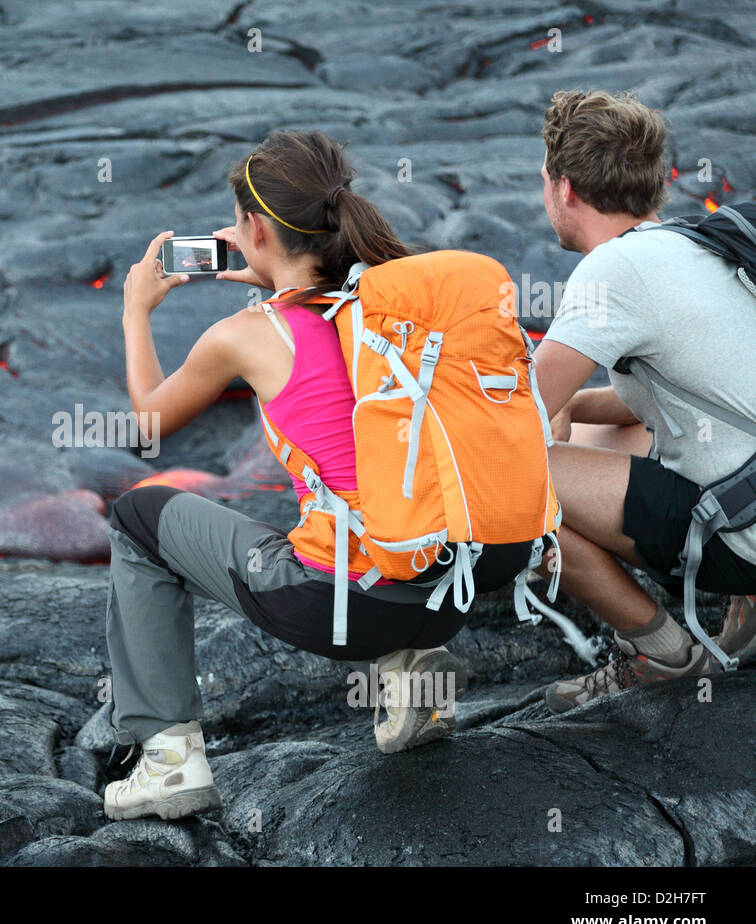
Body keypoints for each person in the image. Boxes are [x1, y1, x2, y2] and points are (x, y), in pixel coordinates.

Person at [102, 129, 544, 822]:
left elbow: (148, 424)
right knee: (383, 497)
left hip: (339, 606)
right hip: (446, 591)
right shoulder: (392, 312)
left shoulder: (245, 337)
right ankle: (411, 670)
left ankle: (167, 759)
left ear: (253, 228)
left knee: (137, 517)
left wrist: (136, 310)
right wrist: (275, 270)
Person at [531, 89, 756, 714]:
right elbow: (674, 400)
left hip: (742, 536)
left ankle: (661, 652)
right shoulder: (687, 244)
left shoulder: (614, 273)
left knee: (508, 481)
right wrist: (573, 410)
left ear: (565, 188)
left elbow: (511, 415)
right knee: (600, 439)